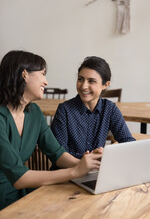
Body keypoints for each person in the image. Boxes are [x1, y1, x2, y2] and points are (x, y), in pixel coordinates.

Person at [0, 51, 102, 210]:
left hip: (23, 194)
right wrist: (75, 171)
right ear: (24, 74)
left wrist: (88, 164)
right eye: (42, 74)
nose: (46, 82)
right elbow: (20, 178)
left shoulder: (34, 112)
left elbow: (57, 153)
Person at [51, 56, 135, 159]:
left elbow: (128, 142)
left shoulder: (110, 109)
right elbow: (59, 154)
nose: (83, 86)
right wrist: (87, 158)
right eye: (80, 79)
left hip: (97, 170)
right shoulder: (64, 110)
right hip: (69, 171)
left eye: (91, 81)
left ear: (106, 84)